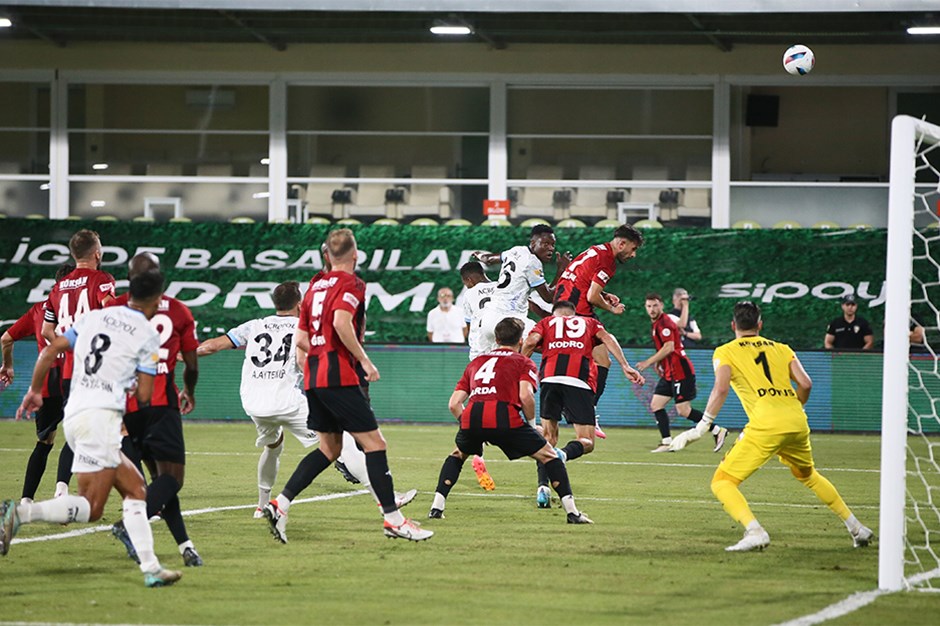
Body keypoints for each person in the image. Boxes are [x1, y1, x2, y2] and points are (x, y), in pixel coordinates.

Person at [1, 269, 183, 587]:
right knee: (94, 505)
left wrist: (33, 391)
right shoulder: (147, 333)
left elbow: (48, 350)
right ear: (157, 299)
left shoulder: (93, 320)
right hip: (101, 419)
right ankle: (19, 515)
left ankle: (152, 569)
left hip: (75, 415)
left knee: (134, 491)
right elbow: (143, 394)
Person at [262, 228, 432, 543]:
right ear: (355, 255)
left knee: (329, 449)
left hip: (314, 377)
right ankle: (394, 520)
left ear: (327, 255)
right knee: (375, 444)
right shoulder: (352, 283)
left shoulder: (312, 289)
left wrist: (317, 359)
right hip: (338, 376)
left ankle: (280, 504)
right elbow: (341, 322)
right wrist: (364, 361)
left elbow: (300, 339)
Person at [197, 281, 416, 517]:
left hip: (253, 402)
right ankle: (387, 501)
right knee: (342, 442)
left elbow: (211, 346)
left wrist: (183, 354)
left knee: (273, 447)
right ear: (300, 304)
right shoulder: (305, 328)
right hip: (286, 401)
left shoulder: (254, 326)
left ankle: (261, 506)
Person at [668, 300, 874, 552]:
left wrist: (702, 426)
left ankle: (755, 531)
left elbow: (721, 388)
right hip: (796, 420)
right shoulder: (782, 348)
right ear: (760, 325)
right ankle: (856, 527)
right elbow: (806, 384)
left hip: (765, 424)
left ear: (733, 325)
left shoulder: (725, 351)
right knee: (808, 475)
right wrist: (793, 409)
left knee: (722, 482)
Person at [427, 317, 593, 524]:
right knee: (550, 456)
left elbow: (454, 404)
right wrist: (532, 427)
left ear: (496, 339)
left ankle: (436, 507)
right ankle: (572, 513)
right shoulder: (524, 362)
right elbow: (526, 396)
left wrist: (471, 424)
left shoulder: (476, 363)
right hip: (504, 418)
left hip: (471, 417)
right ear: (521, 340)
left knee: (458, 454)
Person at [107, 253, 202, 568]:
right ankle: (129, 528)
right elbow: (191, 363)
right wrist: (188, 390)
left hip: (125, 408)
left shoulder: (112, 309)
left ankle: (186, 546)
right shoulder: (177, 310)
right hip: (160, 403)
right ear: (159, 277)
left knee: (160, 479)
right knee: (173, 478)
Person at [522, 300, 645, 507]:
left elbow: (530, 342)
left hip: (550, 380)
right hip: (578, 383)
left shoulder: (546, 323)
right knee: (586, 442)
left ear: (555, 314)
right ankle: (563, 455)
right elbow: (608, 338)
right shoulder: (588, 323)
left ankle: (542, 486)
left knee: (547, 437)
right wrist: (625, 365)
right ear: (573, 314)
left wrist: (518, 367)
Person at [41, 229, 117, 497]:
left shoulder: (59, 287)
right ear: (97, 254)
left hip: (68, 370)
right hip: (95, 368)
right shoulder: (102, 279)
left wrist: (66, 346)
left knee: (82, 430)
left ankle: (65, 489)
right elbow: (110, 310)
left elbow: (46, 330)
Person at [553, 224, 645, 435]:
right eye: (632, 249)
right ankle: (586, 412)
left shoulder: (595, 250)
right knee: (602, 360)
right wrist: (611, 307)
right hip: (577, 312)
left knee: (578, 361)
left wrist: (605, 294)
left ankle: (576, 410)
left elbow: (584, 282)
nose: (633, 254)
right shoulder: (607, 261)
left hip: (562, 307)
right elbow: (591, 297)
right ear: (621, 243)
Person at [1, 263, 74, 505]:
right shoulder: (80, 307)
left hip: (46, 381)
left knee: (44, 442)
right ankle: (61, 491)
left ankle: (26, 501)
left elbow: (6, 338)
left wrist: (7, 366)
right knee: (77, 436)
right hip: (73, 374)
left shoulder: (38, 310)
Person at [636, 293, 728, 453]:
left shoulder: (664, 323)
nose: (652, 309)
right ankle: (666, 442)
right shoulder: (656, 323)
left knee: (683, 410)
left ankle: (717, 430)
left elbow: (669, 347)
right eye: (649, 306)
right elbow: (665, 348)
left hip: (680, 370)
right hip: (669, 372)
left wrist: (648, 362)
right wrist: (659, 363)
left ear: (662, 306)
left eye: (655, 305)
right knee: (656, 405)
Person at [472, 224, 562, 353]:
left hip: (489, 319)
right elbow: (549, 297)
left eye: (552, 245)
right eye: (545, 244)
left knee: (494, 364)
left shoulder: (516, 250)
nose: (550, 248)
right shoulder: (532, 262)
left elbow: (489, 259)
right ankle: (522, 369)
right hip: (510, 322)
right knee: (553, 345)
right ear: (533, 243)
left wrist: (481, 256)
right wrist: (561, 270)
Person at [459, 261, 498, 491]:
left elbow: (467, 326)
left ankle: (477, 455)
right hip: (501, 351)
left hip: (478, 357)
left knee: (476, 406)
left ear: (468, 280)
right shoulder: (501, 287)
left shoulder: (469, 294)